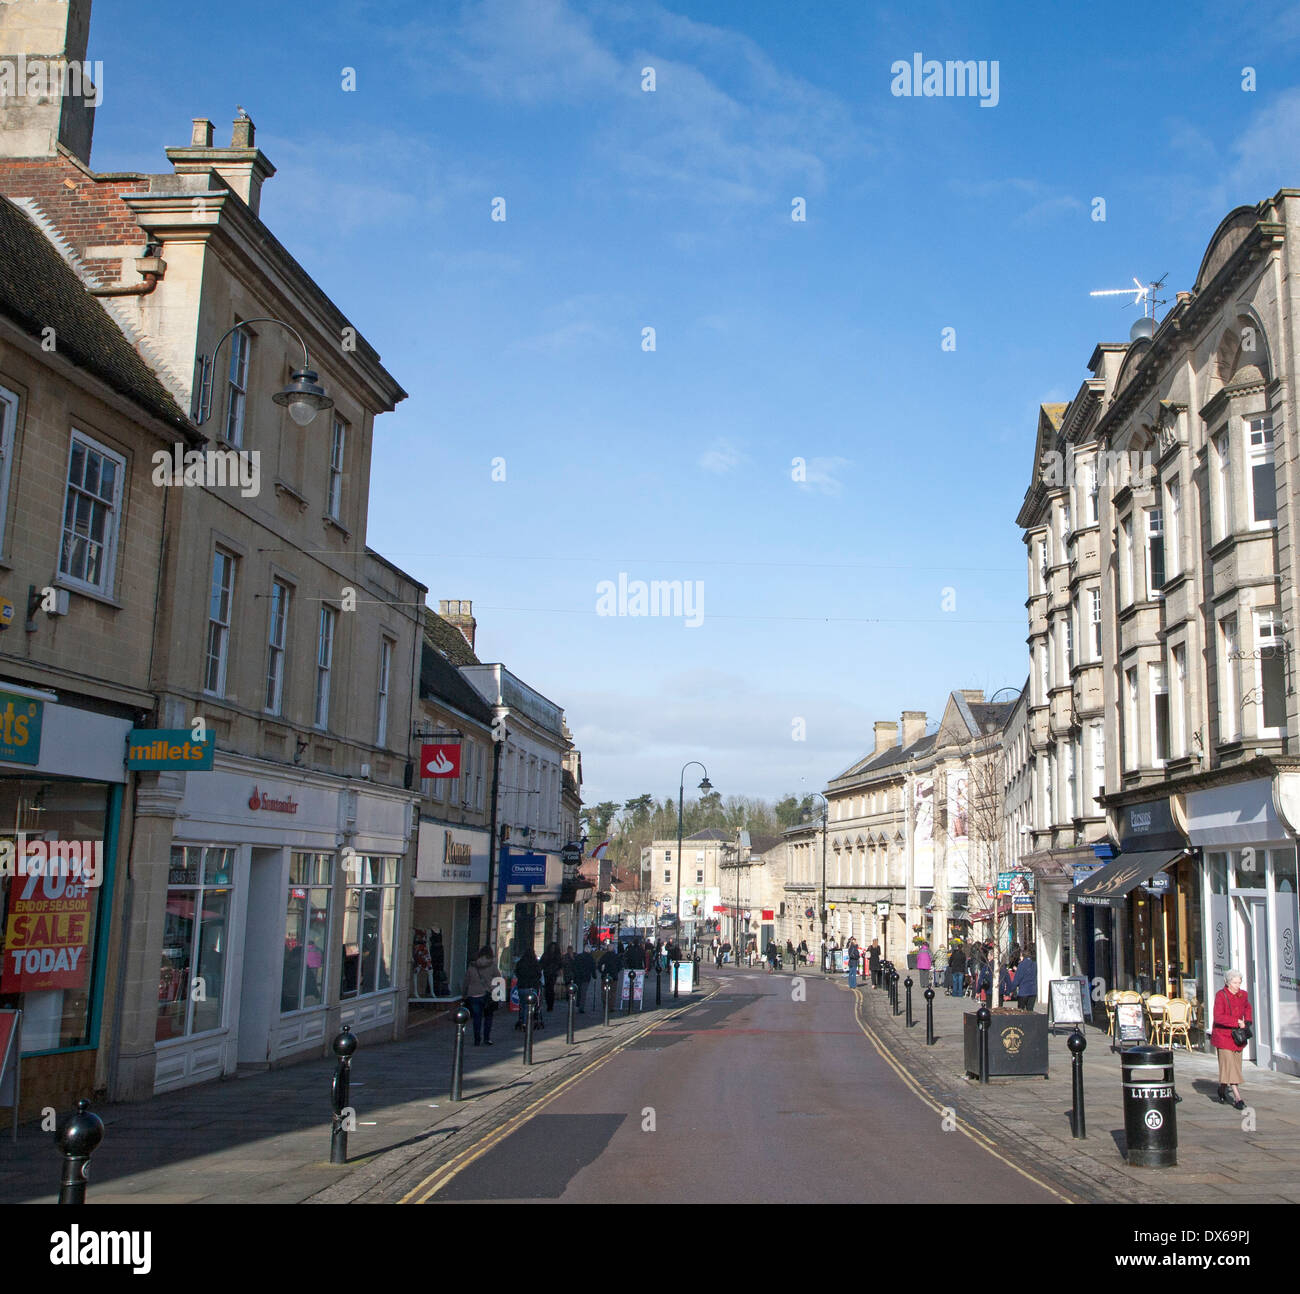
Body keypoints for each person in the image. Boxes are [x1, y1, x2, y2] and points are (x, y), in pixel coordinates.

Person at [1211, 968, 1253, 1109]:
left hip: (1237, 1038)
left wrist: (1247, 1022)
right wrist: (1236, 1022)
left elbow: (1248, 1008)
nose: (1238, 985)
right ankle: (1237, 1097)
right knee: (1229, 1066)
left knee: (1233, 1066)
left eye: (1239, 982)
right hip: (1223, 1036)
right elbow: (1218, 1017)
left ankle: (1221, 1090)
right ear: (1228, 983)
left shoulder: (1243, 995)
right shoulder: (1221, 995)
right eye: (1235, 983)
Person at [462, 945, 497, 1045]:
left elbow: (466, 981)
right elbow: (498, 980)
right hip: (487, 995)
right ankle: (487, 1038)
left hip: (473, 995)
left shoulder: (472, 966)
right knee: (488, 1017)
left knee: (477, 1017)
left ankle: (477, 1039)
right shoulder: (492, 966)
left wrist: (464, 995)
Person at [514, 948, 542, 1030]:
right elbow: (539, 975)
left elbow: (517, 972)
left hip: (521, 987)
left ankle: (521, 1019)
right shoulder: (535, 963)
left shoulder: (520, 962)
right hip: (532, 987)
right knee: (529, 1006)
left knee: (522, 1005)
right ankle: (526, 1023)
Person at [540, 941, 563, 1014]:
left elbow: (561, 964)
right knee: (548, 989)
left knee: (550, 989)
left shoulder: (554, 955)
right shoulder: (549, 955)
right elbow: (541, 963)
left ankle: (550, 1005)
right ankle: (549, 1004)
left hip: (552, 973)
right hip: (549, 973)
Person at [572, 945, 596, 1012]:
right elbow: (593, 968)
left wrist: (575, 974)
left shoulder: (578, 956)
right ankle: (581, 1007)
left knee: (578, 991)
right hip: (586, 977)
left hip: (578, 977)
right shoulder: (590, 958)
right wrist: (594, 976)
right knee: (583, 992)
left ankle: (577, 1004)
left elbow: (574, 966)